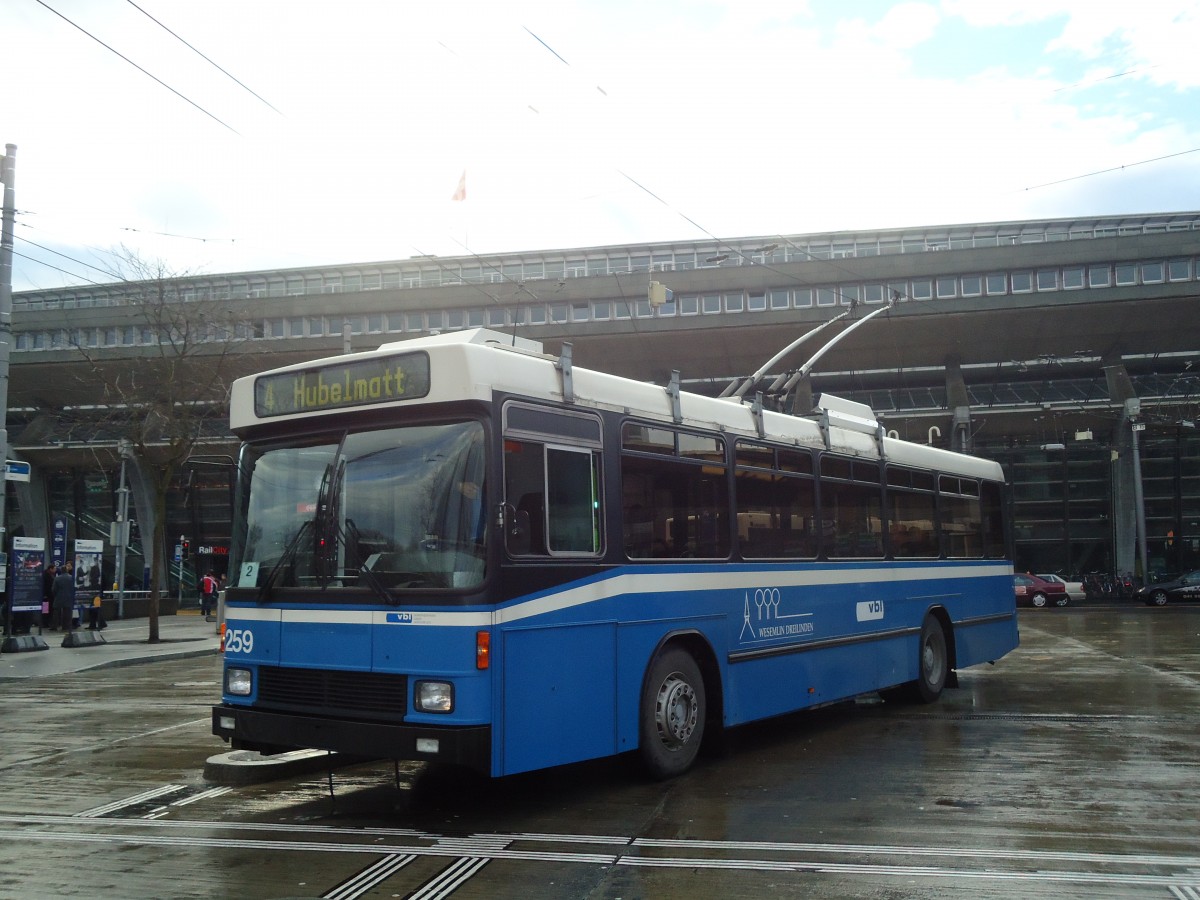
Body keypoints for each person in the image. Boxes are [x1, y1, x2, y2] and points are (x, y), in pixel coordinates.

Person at [52, 561, 76, 632]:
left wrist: (55, 594)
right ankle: (66, 626)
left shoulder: (57, 578)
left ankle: (54, 626)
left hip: (59, 597)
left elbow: (54, 589)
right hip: (68, 597)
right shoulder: (71, 578)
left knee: (56, 612)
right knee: (67, 612)